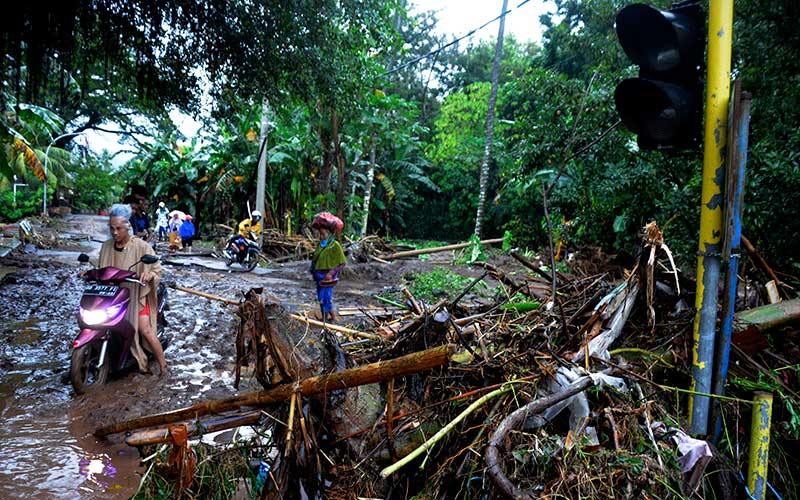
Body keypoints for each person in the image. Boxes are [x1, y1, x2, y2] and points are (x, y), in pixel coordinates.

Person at [99, 204, 168, 376]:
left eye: (119, 229)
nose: (115, 232)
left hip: (137, 295)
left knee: (145, 329)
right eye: (112, 228)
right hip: (114, 296)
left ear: (128, 226)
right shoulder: (106, 246)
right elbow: (102, 268)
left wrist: (149, 275)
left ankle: (163, 367)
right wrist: (88, 272)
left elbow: (156, 268)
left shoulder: (141, 246)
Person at [309, 218, 346, 322]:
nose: (321, 237)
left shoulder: (335, 245)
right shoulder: (319, 246)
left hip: (328, 277)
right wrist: (312, 272)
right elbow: (315, 260)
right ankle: (325, 317)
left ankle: (333, 316)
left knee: (326, 297)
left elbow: (342, 262)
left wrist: (331, 273)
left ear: (329, 234)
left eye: (323, 234)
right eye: (320, 234)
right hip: (319, 277)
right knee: (320, 298)